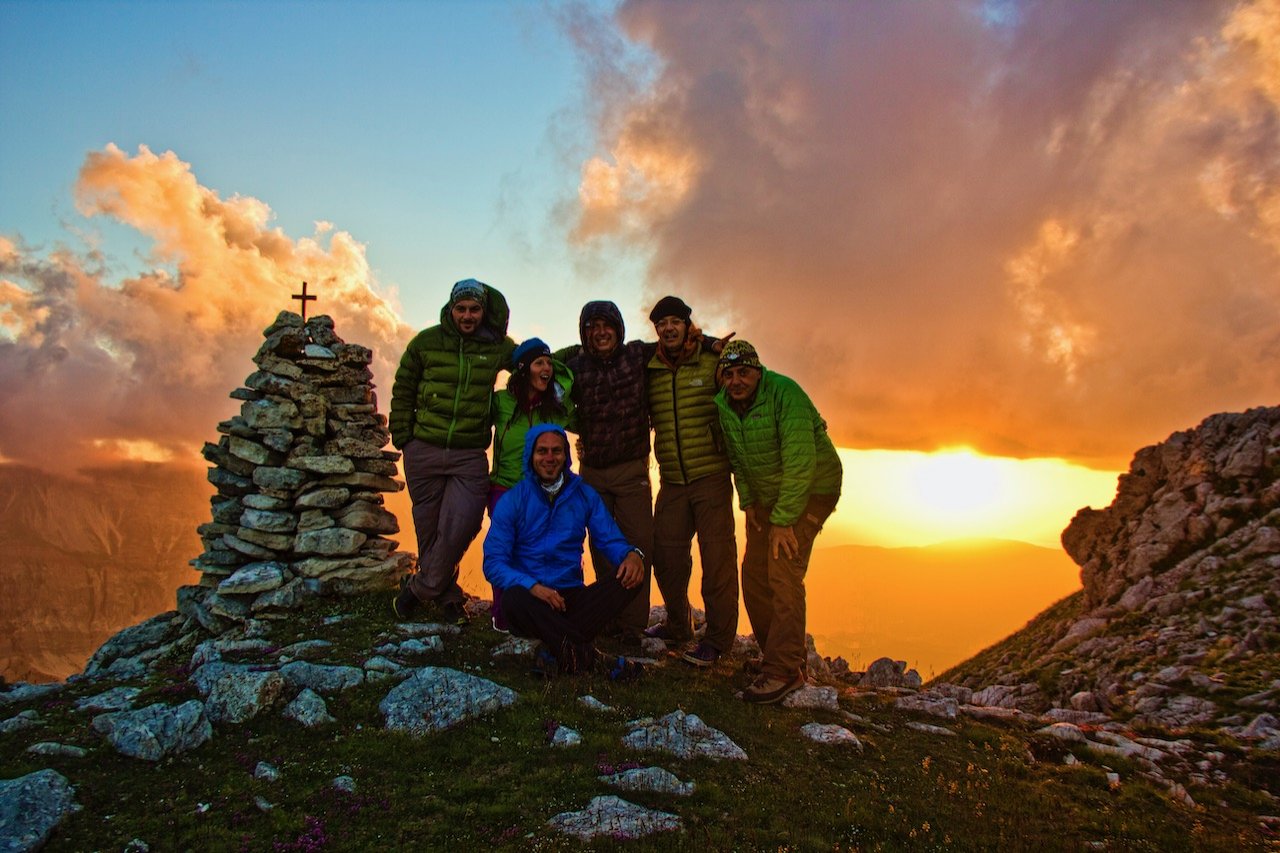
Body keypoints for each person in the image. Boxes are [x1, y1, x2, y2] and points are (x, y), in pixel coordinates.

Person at [714, 340, 842, 704]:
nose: (736, 380)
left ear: (758, 371)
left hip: (814, 490)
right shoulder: (725, 405)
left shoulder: (786, 395)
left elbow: (801, 463)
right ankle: (779, 657)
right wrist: (750, 502)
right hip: (770, 498)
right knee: (753, 574)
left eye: (744, 372)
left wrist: (784, 522)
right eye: (729, 374)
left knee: (782, 570)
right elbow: (739, 457)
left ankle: (784, 672)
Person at [389, 278, 516, 624]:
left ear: (483, 311)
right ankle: (446, 596)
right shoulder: (425, 342)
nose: (468, 315)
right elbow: (404, 388)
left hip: (469, 452)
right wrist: (404, 438)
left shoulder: (496, 346)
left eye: (475, 308)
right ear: (451, 309)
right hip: (424, 449)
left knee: (463, 522)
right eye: (461, 308)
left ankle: (419, 588)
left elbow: (530, 358)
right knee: (430, 529)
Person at [483, 423, 646, 678]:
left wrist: (632, 554)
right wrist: (533, 586)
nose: (549, 458)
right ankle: (592, 659)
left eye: (556, 451)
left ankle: (556, 650)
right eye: (542, 451)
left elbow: (609, 538)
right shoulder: (514, 500)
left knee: (631, 579)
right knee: (512, 599)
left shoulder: (583, 494)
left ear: (566, 455)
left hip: (569, 597)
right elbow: (493, 562)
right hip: (530, 598)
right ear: (531, 455)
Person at [644, 295, 739, 668]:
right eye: (661, 324)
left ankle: (717, 640)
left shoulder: (713, 359)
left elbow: (743, 381)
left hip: (711, 476)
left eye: (674, 322)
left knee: (717, 562)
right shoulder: (649, 367)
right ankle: (679, 624)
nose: (668, 328)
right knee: (665, 556)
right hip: (671, 479)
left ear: (687, 325)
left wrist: (713, 343)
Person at [555, 301, 656, 645]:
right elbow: (541, 360)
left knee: (638, 543)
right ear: (583, 333)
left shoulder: (637, 356)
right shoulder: (575, 366)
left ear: (619, 328)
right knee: (601, 545)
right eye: (591, 327)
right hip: (593, 471)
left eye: (606, 325)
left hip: (632, 469)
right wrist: (575, 348)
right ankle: (609, 615)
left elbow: (677, 344)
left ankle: (633, 626)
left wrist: (710, 342)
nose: (600, 333)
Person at [486, 337, 574, 632]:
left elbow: (566, 379)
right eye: (539, 363)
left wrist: (551, 364)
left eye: (549, 362)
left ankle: (539, 614)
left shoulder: (555, 408)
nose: (547, 368)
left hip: (541, 494)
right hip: (504, 489)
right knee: (505, 553)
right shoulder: (501, 402)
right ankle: (502, 615)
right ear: (523, 370)